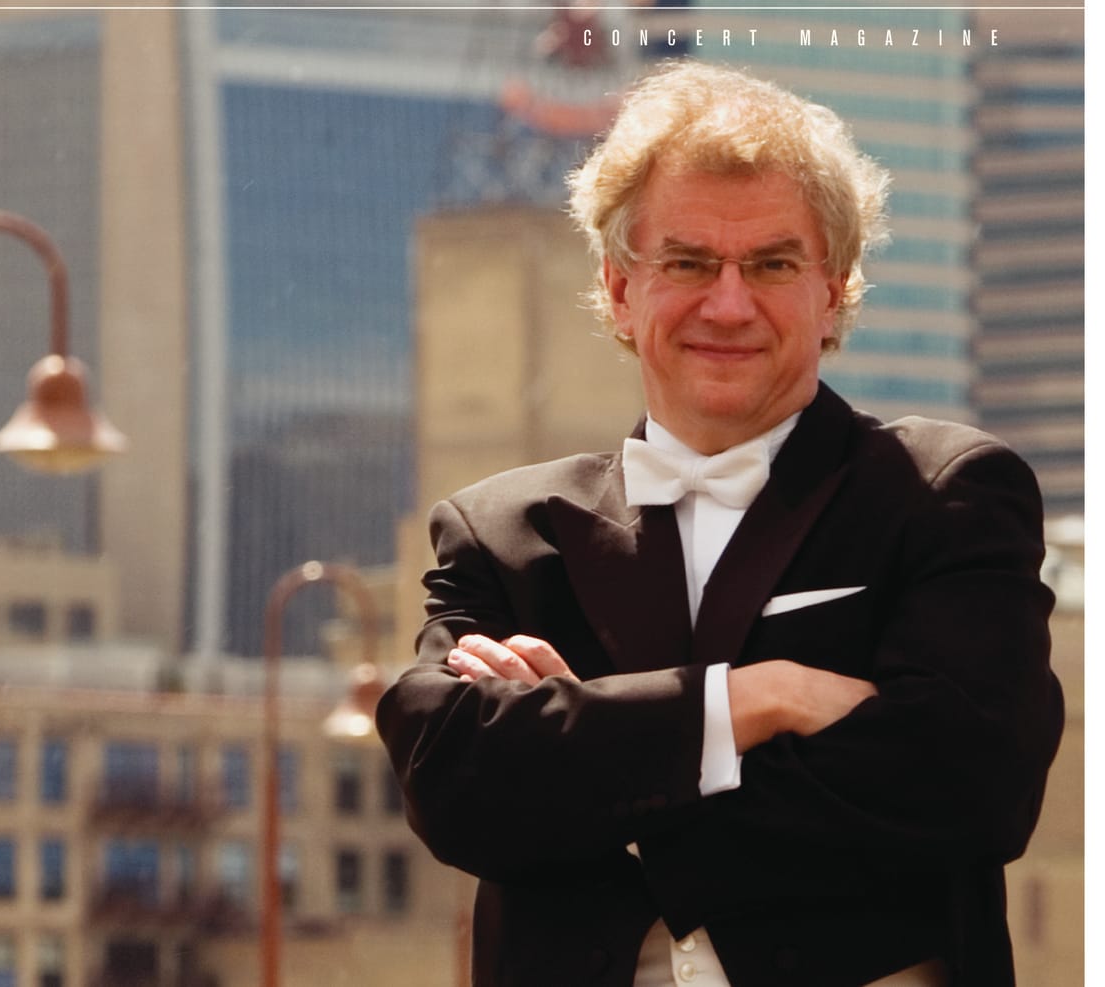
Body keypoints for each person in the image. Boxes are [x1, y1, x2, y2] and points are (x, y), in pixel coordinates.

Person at [375, 61, 1062, 987]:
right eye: (688, 263)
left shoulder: (947, 493)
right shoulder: (499, 533)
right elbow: (455, 785)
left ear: (835, 291)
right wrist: (755, 700)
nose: (728, 303)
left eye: (773, 264)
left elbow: (968, 786)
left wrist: (588, 751)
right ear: (621, 290)